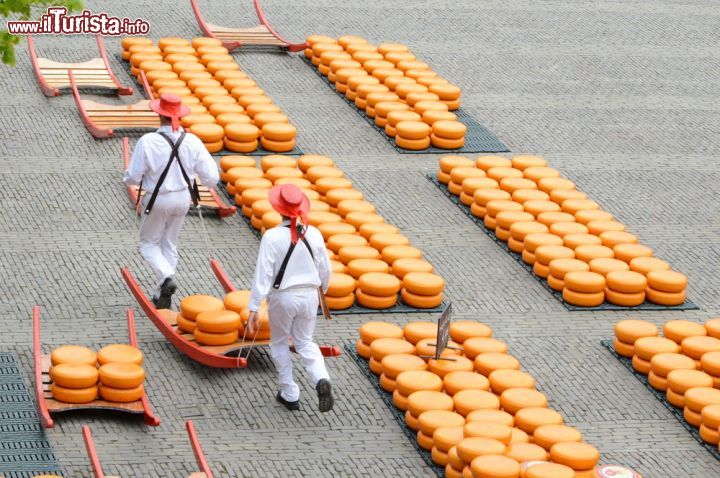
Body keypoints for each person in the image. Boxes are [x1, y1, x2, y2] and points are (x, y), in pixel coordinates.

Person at [123, 94, 219, 309]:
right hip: (183, 199)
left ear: (158, 114)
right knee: (169, 243)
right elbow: (212, 178)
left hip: (157, 199)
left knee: (149, 244)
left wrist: (127, 177)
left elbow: (133, 177)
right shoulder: (192, 141)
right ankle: (161, 293)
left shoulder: (148, 141)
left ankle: (166, 277)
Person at [246, 183, 334, 413]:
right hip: (309, 295)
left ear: (278, 209)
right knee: (305, 342)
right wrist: (322, 289)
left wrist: (254, 307)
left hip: (283, 297)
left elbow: (262, 274)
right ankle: (320, 378)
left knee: (279, 342)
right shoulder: (314, 234)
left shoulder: (272, 237)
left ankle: (289, 392)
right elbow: (325, 268)